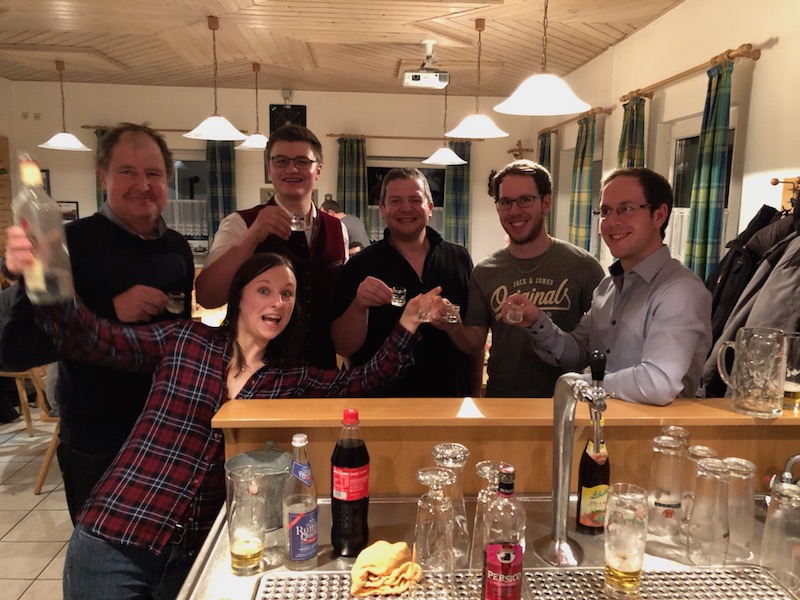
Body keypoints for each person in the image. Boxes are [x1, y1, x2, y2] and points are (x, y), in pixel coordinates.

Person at [6, 239, 433, 599]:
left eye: (287, 294)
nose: (277, 302)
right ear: (239, 296)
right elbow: (88, 337)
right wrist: (41, 273)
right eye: (264, 290)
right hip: (118, 535)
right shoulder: (185, 339)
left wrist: (409, 321)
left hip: (194, 555)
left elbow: (362, 381)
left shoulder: (289, 378)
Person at [0, 123, 194, 521]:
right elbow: (16, 350)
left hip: (169, 433)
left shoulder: (177, 247)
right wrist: (110, 308)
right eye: (127, 171)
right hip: (99, 440)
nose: (143, 184)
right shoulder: (63, 243)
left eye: (154, 173)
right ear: (102, 175)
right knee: (102, 552)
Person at [504, 167, 712, 406]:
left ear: (659, 215)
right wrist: (537, 321)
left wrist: (580, 384)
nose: (611, 222)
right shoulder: (607, 288)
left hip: (656, 429)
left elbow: (657, 383)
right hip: (602, 425)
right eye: (605, 211)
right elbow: (576, 353)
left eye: (626, 209)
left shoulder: (680, 291)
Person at [449, 160, 604, 397]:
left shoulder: (583, 266)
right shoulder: (485, 271)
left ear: (546, 203)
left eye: (525, 200)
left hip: (565, 402)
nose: (514, 211)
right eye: (505, 202)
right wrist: (452, 326)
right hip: (501, 401)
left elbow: (602, 342)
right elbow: (475, 344)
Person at [195, 125, 347, 368]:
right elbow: (208, 297)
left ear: (318, 170)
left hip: (321, 371)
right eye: (281, 161)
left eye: (302, 161)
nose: (292, 169)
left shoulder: (338, 229)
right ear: (269, 169)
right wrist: (251, 237)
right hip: (258, 373)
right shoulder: (240, 223)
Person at [331, 168, 477, 396]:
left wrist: (475, 395)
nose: (406, 208)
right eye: (396, 201)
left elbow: (474, 342)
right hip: (381, 403)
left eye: (415, 200)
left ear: (430, 207)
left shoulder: (459, 258)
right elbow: (343, 347)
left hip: (449, 400)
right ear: (382, 209)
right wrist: (359, 306)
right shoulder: (358, 265)